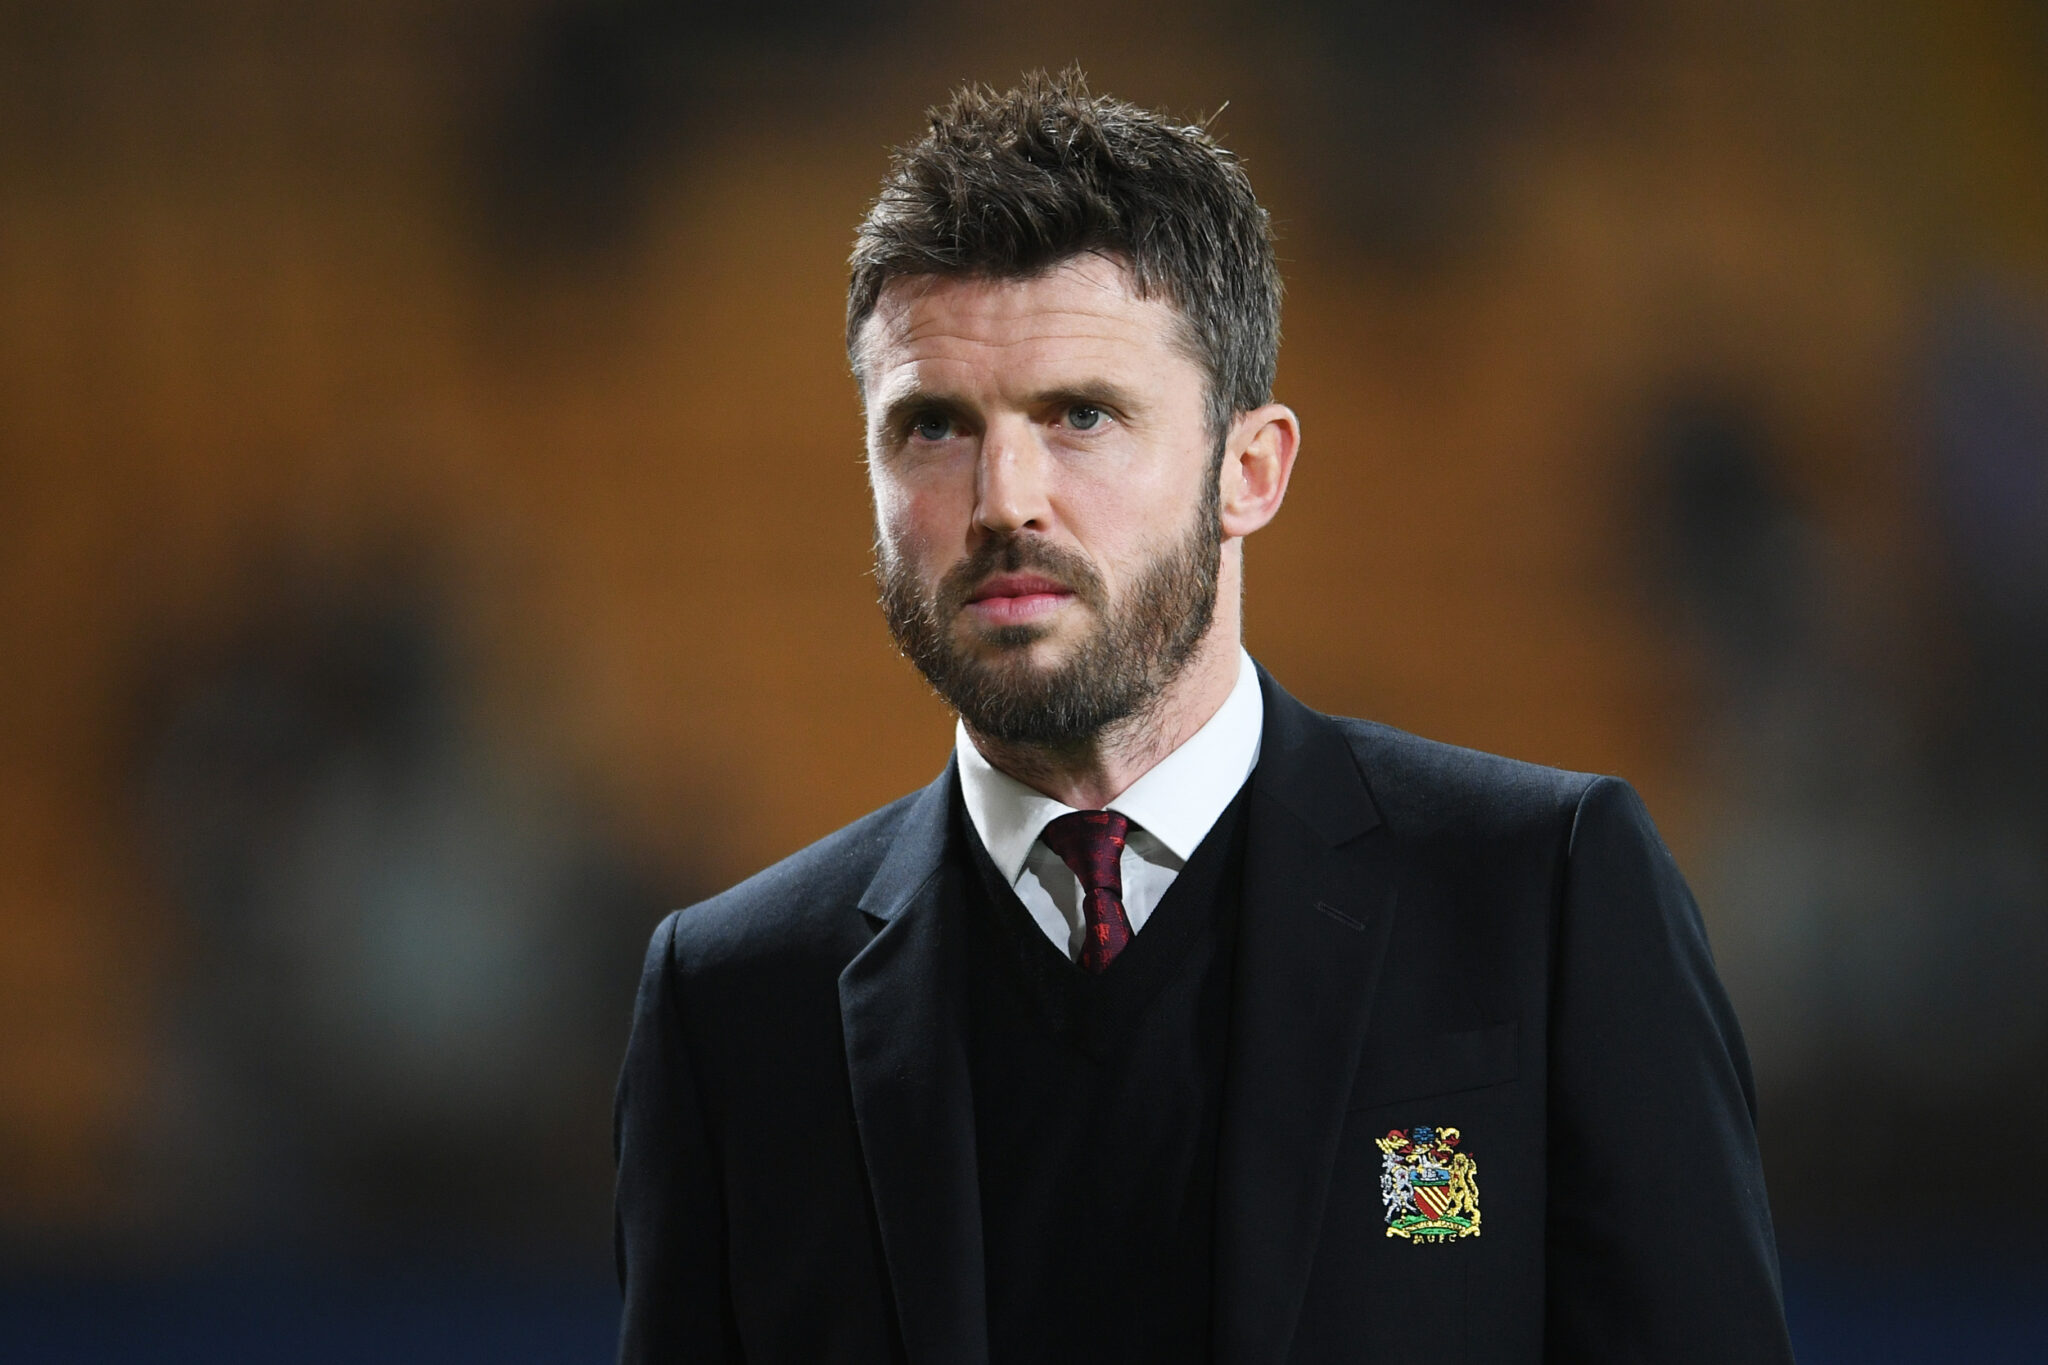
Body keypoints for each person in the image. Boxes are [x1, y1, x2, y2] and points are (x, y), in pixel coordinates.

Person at [612, 69, 1796, 1364]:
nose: (1005, 496)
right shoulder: (730, 1002)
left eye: (1081, 415)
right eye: (934, 425)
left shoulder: (1543, 901)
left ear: (1251, 469)